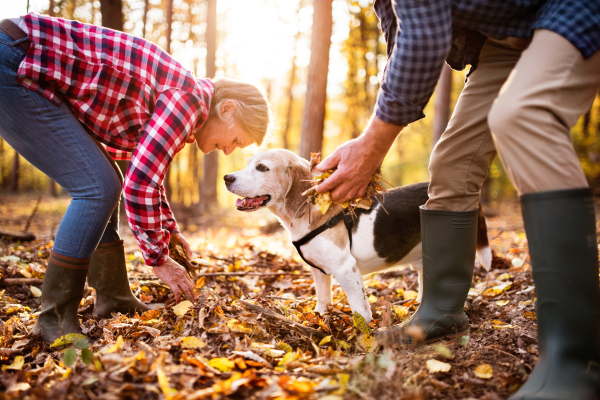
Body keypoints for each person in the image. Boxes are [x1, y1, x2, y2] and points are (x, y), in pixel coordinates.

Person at [315, 0, 600, 398]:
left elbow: (424, 40)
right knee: (451, 163)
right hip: (507, 36)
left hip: (570, 8)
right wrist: (366, 142)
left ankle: (576, 358)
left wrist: (373, 147)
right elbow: (404, 47)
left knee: (523, 115)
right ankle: (442, 312)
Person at [0, 13, 270, 343]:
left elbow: (147, 176)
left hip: (18, 52)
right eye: (237, 140)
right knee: (98, 187)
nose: (228, 152)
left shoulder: (184, 97)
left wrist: (169, 232)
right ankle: (53, 318)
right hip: (16, 58)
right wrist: (159, 261)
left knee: (105, 180)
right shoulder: (187, 101)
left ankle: (112, 296)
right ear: (227, 109)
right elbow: (139, 185)